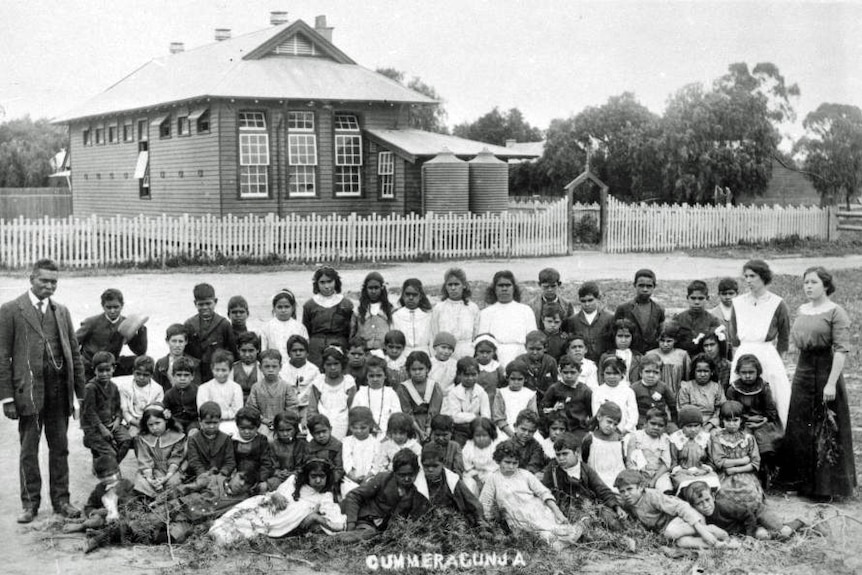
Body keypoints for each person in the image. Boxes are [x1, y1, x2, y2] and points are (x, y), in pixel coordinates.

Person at [0, 259, 86, 523]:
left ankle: (62, 501)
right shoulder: (11, 310)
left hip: (59, 394)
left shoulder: (61, 311)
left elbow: (74, 352)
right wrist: (7, 397)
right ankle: (30, 504)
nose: (49, 286)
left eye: (54, 282)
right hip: (28, 394)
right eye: (44, 281)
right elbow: (2, 357)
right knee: (29, 450)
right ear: (31, 279)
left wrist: (79, 395)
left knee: (60, 449)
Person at [779, 267, 856, 499]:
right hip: (803, 371)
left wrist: (831, 383)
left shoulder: (836, 312)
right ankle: (800, 483)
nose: (808, 287)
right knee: (800, 425)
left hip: (825, 369)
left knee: (826, 426)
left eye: (813, 282)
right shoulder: (802, 309)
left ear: (826, 285)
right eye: (805, 283)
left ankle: (826, 487)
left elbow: (841, 351)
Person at [210, 458, 349, 544]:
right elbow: (279, 494)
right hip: (271, 507)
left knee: (251, 531)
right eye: (314, 476)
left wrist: (315, 517)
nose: (318, 481)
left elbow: (337, 524)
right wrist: (276, 495)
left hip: (284, 521)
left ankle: (224, 537)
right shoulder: (295, 481)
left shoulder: (325, 495)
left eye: (322, 476)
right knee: (243, 516)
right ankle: (216, 529)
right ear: (307, 476)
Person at [479, 440, 584, 551]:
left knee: (561, 530)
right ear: (499, 460)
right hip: (518, 519)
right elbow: (485, 503)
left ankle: (569, 534)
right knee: (545, 538)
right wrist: (490, 527)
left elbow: (543, 492)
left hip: (538, 512)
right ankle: (558, 541)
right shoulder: (493, 478)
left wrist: (557, 512)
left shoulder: (525, 474)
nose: (511, 466)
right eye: (507, 462)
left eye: (515, 463)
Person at [729, 259, 791, 427]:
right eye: (746, 276)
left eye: (752, 276)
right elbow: (733, 337)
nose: (748, 280)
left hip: (767, 354)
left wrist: (779, 361)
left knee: (775, 395)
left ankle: (776, 434)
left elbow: (784, 337)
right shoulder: (738, 302)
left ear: (763, 277)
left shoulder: (778, 303)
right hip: (743, 353)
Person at [614, 469, 732, 549]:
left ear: (640, 487)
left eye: (629, 489)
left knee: (671, 533)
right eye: (622, 491)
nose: (626, 494)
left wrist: (702, 530)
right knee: (681, 542)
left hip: (689, 519)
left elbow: (681, 507)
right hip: (672, 530)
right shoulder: (627, 503)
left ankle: (711, 530)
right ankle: (719, 545)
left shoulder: (652, 496)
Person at [335, 448, 428, 542]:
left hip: (385, 530)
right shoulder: (383, 479)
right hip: (365, 520)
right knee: (367, 533)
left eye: (410, 474)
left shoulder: (417, 492)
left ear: (417, 472)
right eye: (402, 475)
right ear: (394, 473)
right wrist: (351, 523)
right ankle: (340, 538)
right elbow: (354, 495)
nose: (407, 479)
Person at [543, 432, 626, 529]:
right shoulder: (552, 470)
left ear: (577, 452)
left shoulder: (585, 469)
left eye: (565, 454)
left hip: (590, 506)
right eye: (558, 455)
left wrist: (616, 506)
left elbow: (601, 489)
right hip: (567, 509)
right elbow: (545, 492)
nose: (561, 458)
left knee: (612, 521)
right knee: (586, 526)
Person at [725, 355, 783, 486]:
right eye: (743, 373)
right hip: (741, 422)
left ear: (758, 372)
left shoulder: (763, 387)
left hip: (762, 422)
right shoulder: (733, 389)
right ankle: (750, 474)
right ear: (738, 373)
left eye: (751, 372)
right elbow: (731, 409)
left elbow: (770, 410)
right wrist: (746, 419)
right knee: (746, 440)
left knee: (766, 441)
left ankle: (767, 472)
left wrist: (764, 420)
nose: (747, 376)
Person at [76, 288, 148, 380]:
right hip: (90, 367)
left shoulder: (126, 324)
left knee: (142, 362)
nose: (112, 311)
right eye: (108, 307)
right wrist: (80, 362)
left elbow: (140, 352)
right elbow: (72, 343)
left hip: (112, 365)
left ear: (122, 306)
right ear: (103, 306)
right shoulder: (92, 322)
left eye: (116, 307)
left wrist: (141, 330)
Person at [710, 401, 767, 518]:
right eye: (728, 420)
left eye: (735, 420)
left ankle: (751, 518)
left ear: (741, 420)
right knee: (723, 495)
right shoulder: (717, 437)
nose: (732, 424)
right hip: (725, 475)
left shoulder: (748, 438)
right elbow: (720, 461)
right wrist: (744, 460)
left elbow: (755, 462)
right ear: (722, 420)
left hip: (745, 474)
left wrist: (736, 469)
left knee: (750, 492)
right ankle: (732, 521)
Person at [81, 351, 133, 464]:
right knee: (110, 452)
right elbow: (89, 412)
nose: (104, 374)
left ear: (113, 369)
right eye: (100, 370)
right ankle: (108, 465)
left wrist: (118, 420)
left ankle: (109, 465)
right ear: (94, 370)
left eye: (107, 370)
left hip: (110, 424)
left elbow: (118, 407)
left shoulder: (113, 387)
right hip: (94, 428)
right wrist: (102, 428)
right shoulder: (91, 388)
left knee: (126, 441)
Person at [478, 270, 536, 367]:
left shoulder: (526, 310)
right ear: (494, 289)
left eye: (508, 285)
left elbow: (533, 338)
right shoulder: (486, 313)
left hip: (521, 355)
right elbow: (483, 340)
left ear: (514, 288)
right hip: (495, 358)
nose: (504, 289)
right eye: (500, 286)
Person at [416, 442, 484, 525]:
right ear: (422, 464)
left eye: (435, 466)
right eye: (426, 466)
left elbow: (473, 503)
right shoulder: (417, 481)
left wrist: (481, 523)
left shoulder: (452, 480)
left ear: (442, 463)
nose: (430, 470)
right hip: (424, 523)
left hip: (450, 522)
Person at [302, 266, 354, 367]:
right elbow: (306, 329)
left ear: (336, 282)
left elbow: (350, 330)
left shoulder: (345, 304)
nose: (326, 286)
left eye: (329, 281)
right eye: (322, 282)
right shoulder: (310, 305)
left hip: (339, 344)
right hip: (316, 348)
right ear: (316, 284)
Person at [184, 283, 236, 382]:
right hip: (196, 373)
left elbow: (232, 351)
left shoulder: (224, 324)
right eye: (201, 304)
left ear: (215, 301)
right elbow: (186, 352)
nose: (205, 307)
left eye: (208, 303)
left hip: (217, 372)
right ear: (195, 303)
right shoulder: (189, 324)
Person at [134, 402, 186, 498]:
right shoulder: (143, 438)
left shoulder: (177, 436)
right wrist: (150, 479)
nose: (154, 428)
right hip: (152, 470)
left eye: (158, 423)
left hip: (171, 471)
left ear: (165, 421)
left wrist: (166, 477)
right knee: (141, 482)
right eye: (150, 425)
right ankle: (152, 499)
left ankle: (165, 500)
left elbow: (176, 458)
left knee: (173, 483)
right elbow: (144, 460)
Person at [247, 349, 299, 438]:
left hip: (284, 424)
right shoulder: (256, 387)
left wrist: (281, 422)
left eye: (274, 366)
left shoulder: (286, 387)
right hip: (262, 424)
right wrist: (266, 421)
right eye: (267, 366)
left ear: (280, 367)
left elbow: (292, 409)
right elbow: (252, 410)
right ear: (260, 367)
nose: (271, 370)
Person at [307, 346, 357, 440]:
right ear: (324, 365)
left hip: (342, 423)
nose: (333, 367)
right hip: (321, 423)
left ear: (342, 364)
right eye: (329, 364)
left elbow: (352, 408)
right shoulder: (319, 381)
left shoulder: (348, 382)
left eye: (336, 364)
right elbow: (312, 409)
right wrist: (317, 425)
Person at [540, 355, 592, 445]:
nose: (569, 376)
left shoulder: (585, 390)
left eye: (572, 372)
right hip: (559, 428)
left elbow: (591, 412)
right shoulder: (554, 388)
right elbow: (543, 408)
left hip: (578, 429)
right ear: (560, 372)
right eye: (565, 372)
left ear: (579, 372)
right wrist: (553, 410)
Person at [430, 268, 480, 360]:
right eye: (450, 285)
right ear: (445, 286)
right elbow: (434, 335)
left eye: (456, 284)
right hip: (445, 354)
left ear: (464, 285)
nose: (453, 288)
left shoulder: (473, 308)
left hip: (467, 353)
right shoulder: (439, 308)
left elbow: (476, 336)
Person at [669, 406, 720, 493]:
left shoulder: (706, 438)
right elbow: (673, 462)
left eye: (696, 426)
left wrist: (704, 470)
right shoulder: (675, 439)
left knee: (713, 482)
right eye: (689, 426)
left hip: (702, 472)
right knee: (688, 486)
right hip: (682, 473)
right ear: (682, 426)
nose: (693, 429)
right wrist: (684, 471)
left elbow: (711, 461)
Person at [613, 269, 666, 355]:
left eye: (649, 286)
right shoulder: (623, 308)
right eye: (641, 285)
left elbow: (660, 333)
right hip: (629, 353)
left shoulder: (659, 309)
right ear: (635, 285)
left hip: (651, 354)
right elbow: (615, 333)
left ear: (654, 287)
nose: (645, 289)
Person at [442, 356, 491, 445]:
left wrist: (476, 420)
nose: (470, 378)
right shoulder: (453, 392)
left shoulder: (481, 392)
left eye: (473, 374)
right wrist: (475, 416)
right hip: (459, 430)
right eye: (466, 375)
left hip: (477, 428)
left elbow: (486, 415)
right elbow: (455, 416)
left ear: (478, 374)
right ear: (459, 375)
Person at [395, 350, 442, 442]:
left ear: (427, 369)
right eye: (413, 369)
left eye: (421, 369)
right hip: (412, 423)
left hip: (431, 422)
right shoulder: (403, 387)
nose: (417, 372)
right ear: (408, 370)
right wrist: (419, 431)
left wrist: (428, 429)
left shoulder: (434, 386)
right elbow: (407, 412)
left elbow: (434, 410)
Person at [197, 350, 243, 438]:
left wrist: (218, 414)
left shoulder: (236, 387)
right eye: (217, 370)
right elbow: (203, 410)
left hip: (231, 423)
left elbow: (237, 411)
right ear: (212, 368)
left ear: (230, 369)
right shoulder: (204, 388)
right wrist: (226, 414)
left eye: (224, 370)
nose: (220, 374)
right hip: (210, 424)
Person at [581, 401, 627, 491]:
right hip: (597, 479)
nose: (611, 426)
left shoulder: (618, 440)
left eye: (615, 424)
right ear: (599, 417)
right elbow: (585, 461)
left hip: (617, 477)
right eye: (609, 422)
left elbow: (622, 461)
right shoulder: (590, 439)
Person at [352, 355, 401, 437]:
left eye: (379, 375)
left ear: (385, 376)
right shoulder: (360, 393)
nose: (375, 379)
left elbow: (397, 417)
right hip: (364, 434)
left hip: (387, 435)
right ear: (366, 376)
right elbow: (355, 415)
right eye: (371, 376)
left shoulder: (391, 393)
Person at [186, 401, 236, 482]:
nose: (212, 426)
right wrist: (203, 474)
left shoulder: (226, 439)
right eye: (208, 423)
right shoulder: (193, 439)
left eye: (215, 423)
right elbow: (194, 461)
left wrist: (222, 474)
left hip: (221, 477)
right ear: (200, 421)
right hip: (199, 476)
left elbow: (230, 461)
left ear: (220, 421)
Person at [625, 408, 673, 493]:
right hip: (638, 473)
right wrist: (641, 477)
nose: (656, 427)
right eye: (653, 424)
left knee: (665, 488)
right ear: (645, 423)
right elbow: (630, 462)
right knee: (638, 491)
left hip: (658, 474)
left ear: (665, 427)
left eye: (660, 425)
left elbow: (666, 463)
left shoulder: (665, 439)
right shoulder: (636, 437)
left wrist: (654, 480)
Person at [677, 353, 726, 432]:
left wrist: (709, 426)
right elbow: (683, 410)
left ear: (711, 372)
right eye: (699, 371)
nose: (702, 374)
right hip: (690, 424)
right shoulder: (686, 387)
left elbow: (719, 410)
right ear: (694, 372)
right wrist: (695, 426)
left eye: (706, 371)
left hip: (711, 425)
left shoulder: (717, 388)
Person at [568, 282, 614, 362]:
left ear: (598, 299)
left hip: (603, 362)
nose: (587, 304)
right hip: (581, 363)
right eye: (583, 301)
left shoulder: (609, 318)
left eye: (590, 300)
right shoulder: (572, 321)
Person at [118, 355, 164, 437]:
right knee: (134, 436)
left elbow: (158, 410)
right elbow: (124, 410)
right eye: (138, 374)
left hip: (151, 421)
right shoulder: (125, 388)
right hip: (132, 421)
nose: (141, 377)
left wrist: (148, 423)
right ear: (133, 371)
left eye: (145, 375)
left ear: (151, 375)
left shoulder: (158, 389)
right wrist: (135, 422)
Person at [673, 280, 721, 358]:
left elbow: (717, 346)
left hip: (703, 362)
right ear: (687, 298)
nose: (697, 302)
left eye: (701, 298)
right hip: (682, 359)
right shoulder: (678, 319)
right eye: (693, 298)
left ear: (707, 298)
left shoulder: (713, 321)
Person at [492, 360, 538, 439]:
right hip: (505, 429)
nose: (516, 382)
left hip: (525, 429)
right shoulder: (501, 393)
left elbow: (533, 415)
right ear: (507, 378)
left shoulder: (530, 394)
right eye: (513, 379)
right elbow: (498, 416)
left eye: (520, 379)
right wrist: (512, 435)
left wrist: (523, 431)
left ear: (525, 379)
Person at [591, 357, 638, 434]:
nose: (611, 377)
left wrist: (625, 430)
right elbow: (597, 414)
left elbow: (633, 415)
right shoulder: (597, 392)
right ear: (603, 374)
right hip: (605, 432)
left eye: (615, 373)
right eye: (608, 373)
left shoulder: (628, 392)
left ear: (622, 374)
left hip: (626, 432)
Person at [233, 406, 274, 493]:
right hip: (237, 476)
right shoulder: (233, 441)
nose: (247, 432)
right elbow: (229, 460)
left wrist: (262, 479)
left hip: (255, 476)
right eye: (243, 428)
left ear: (257, 427)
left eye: (251, 428)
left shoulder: (261, 440)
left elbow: (266, 462)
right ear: (238, 426)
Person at [281, 334, 319, 426]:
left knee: (306, 427)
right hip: (287, 407)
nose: (298, 353)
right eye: (294, 350)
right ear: (288, 353)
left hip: (307, 406)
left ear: (307, 352)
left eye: (301, 350)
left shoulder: (314, 370)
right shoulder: (282, 370)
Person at [630, 354, 677, 429]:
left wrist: (674, 422)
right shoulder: (634, 388)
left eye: (656, 372)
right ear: (641, 373)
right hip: (642, 422)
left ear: (660, 374)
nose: (651, 375)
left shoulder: (663, 387)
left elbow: (673, 406)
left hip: (661, 421)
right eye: (647, 372)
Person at [350, 272, 393, 352]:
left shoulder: (389, 310)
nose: (373, 291)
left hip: (384, 351)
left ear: (382, 288)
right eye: (370, 288)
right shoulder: (358, 311)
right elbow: (352, 333)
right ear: (365, 289)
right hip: (364, 352)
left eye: (376, 288)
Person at [645, 323, 690, 398]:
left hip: (677, 395)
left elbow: (687, 378)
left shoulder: (682, 355)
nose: (665, 344)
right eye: (662, 341)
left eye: (669, 341)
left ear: (675, 340)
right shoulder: (650, 355)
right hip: (655, 395)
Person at [259, 289, 308, 357]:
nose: (283, 310)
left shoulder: (299, 327)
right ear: (274, 308)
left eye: (286, 307)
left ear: (293, 308)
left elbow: (304, 349)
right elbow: (263, 350)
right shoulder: (267, 327)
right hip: (273, 364)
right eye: (279, 307)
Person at [267, 409, 308, 490]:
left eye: (288, 430)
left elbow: (305, 464)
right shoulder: (273, 445)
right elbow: (269, 464)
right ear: (276, 430)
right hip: (278, 477)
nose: (285, 434)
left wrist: (294, 473)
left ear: (295, 429)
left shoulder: (302, 444)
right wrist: (277, 472)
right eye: (281, 430)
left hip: (298, 477)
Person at [391, 278, 433, 356]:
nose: (411, 298)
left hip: (424, 355)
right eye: (408, 294)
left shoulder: (428, 316)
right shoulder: (396, 316)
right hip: (403, 355)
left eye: (414, 295)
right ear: (403, 295)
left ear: (420, 296)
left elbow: (432, 341)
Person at [154, 323, 201, 391]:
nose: (177, 345)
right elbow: (156, 387)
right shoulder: (161, 363)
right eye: (174, 341)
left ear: (186, 342)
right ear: (167, 341)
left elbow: (196, 388)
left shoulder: (194, 363)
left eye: (181, 341)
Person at [515, 330, 558, 403]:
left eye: (538, 349)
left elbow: (555, 382)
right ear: (525, 347)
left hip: (546, 398)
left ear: (545, 348)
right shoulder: (520, 360)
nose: (535, 352)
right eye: (531, 349)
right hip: (525, 398)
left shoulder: (550, 361)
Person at [461, 417, 500, 496]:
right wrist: (478, 481)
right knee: (470, 485)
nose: (481, 438)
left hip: (492, 473)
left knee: (494, 483)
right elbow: (467, 466)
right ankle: (474, 505)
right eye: (477, 436)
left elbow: (498, 466)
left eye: (485, 435)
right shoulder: (469, 446)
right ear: (472, 435)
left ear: (491, 435)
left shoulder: (496, 446)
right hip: (473, 474)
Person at [161, 357, 200, 434]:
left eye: (186, 375)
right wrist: (166, 412)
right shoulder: (169, 394)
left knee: (193, 433)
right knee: (175, 431)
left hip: (193, 421)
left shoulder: (198, 391)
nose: (182, 378)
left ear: (192, 376)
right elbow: (164, 408)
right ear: (173, 376)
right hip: (176, 421)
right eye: (179, 375)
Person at [598, 319, 643, 385]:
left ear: (633, 337)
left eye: (627, 336)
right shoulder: (605, 356)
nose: (623, 340)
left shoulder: (638, 357)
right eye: (620, 336)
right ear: (614, 336)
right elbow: (601, 378)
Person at [342, 406, 379, 484]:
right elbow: (347, 461)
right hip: (351, 479)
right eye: (355, 428)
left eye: (363, 428)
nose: (359, 431)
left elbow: (377, 463)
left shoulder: (375, 442)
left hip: (370, 478)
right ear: (350, 427)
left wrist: (369, 476)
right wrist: (353, 476)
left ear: (370, 425)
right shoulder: (347, 442)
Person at [231, 331, 264, 403]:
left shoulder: (262, 369)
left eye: (251, 351)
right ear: (238, 350)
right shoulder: (232, 369)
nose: (247, 355)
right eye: (243, 351)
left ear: (257, 350)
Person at [473, 334, 505, 405]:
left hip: (492, 401)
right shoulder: (472, 365)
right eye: (481, 352)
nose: (485, 355)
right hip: (474, 401)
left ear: (494, 352)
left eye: (488, 352)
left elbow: (503, 385)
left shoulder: (497, 367)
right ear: (476, 351)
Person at [709, 277, 738, 346]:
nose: (728, 297)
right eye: (724, 294)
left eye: (731, 294)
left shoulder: (742, 312)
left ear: (737, 294)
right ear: (719, 294)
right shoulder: (713, 314)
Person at [429, 331, 458, 396]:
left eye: (450, 348)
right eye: (443, 347)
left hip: (450, 396)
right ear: (435, 347)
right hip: (432, 396)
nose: (446, 351)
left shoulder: (455, 364)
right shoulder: (429, 362)